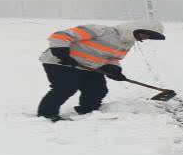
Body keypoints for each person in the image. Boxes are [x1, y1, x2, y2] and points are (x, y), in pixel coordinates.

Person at [36, 20, 166, 122]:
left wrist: (114, 69)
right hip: (60, 62)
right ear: (136, 28)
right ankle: (46, 114)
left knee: (97, 90)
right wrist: (61, 51)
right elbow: (60, 35)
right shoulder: (101, 30)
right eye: (145, 34)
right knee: (66, 87)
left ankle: (88, 112)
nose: (145, 37)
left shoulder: (127, 43)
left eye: (148, 36)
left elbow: (113, 58)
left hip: (89, 67)